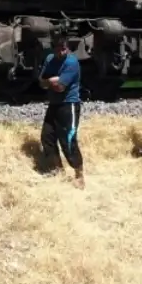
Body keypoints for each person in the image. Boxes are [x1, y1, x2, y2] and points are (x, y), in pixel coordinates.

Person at [39, 36, 85, 189]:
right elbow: (41, 81)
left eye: (64, 49)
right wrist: (52, 80)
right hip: (54, 104)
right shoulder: (50, 59)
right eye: (58, 49)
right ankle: (58, 169)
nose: (61, 52)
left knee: (69, 140)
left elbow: (60, 87)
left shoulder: (72, 63)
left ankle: (79, 175)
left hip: (69, 105)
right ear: (54, 48)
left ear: (68, 48)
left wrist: (52, 82)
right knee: (47, 136)